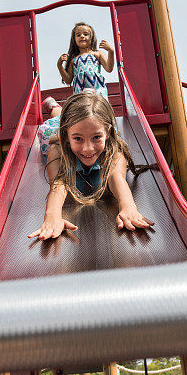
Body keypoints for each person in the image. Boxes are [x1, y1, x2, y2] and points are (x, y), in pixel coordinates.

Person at [28, 91, 153, 240]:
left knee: (77, 123)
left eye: (96, 137)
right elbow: (58, 184)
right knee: (58, 118)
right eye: (78, 138)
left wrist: (128, 207)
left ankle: (73, 105)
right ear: (67, 136)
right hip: (54, 131)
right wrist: (52, 216)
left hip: (76, 128)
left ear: (107, 132)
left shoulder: (114, 148)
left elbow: (116, 177)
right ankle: (54, 107)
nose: (88, 148)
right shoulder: (57, 148)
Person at [38, 22, 115, 157]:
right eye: (78, 35)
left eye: (86, 34)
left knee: (97, 111)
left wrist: (111, 51)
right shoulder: (74, 60)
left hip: (96, 90)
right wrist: (59, 66)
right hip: (80, 92)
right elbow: (68, 79)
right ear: (74, 39)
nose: (82, 37)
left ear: (92, 37)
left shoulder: (97, 54)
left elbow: (109, 68)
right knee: (81, 113)